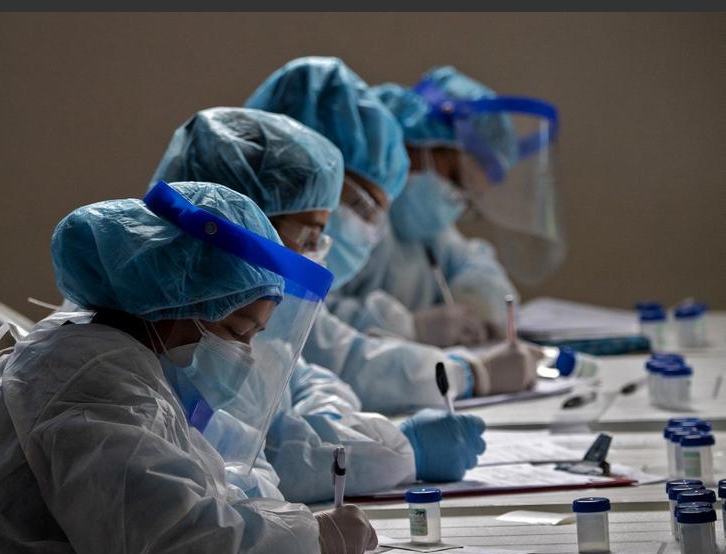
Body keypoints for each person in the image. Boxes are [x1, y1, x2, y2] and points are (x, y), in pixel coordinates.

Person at [0, 181, 379, 554]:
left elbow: (185, 498)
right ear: (173, 304)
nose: (244, 355)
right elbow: (170, 551)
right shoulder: (93, 379)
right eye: (237, 331)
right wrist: (316, 541)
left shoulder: (110, 361)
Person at [152, 106, 486, 503]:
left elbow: (312, 379)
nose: (317, 253)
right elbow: (264, 461)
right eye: (309, 236)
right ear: (245, 222)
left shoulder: (254, 319)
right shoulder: (185, 334)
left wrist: (329, 422)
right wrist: (402, 450)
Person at [245, 56, 540, 415]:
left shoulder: (409, 223)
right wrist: (464, 371)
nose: (373, 225)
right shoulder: (245, 266)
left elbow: (313, 376)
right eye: (360, 204)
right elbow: (330, 353)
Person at [330, 66, 561, 347]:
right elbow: (308, 322)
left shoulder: (423, 227)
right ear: (409, 140)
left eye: (469, 195)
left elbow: (476, 266)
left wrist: (478, 305)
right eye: (455, 177)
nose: (454, 198)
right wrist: (409, 328)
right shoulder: (342, 215)